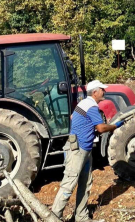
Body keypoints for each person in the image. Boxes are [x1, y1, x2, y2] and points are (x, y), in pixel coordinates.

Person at [52, 80, 124, 222]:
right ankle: (53, 217)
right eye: (102, 89)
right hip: (77, 150)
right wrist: (115, 126)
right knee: (69, 184)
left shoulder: (83, 103)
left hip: (84, 148)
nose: (105, 91)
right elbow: (101, 128)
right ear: (95, 92)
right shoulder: (91, 106)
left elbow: (75, 119)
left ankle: (82, 217)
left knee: (85, 183)